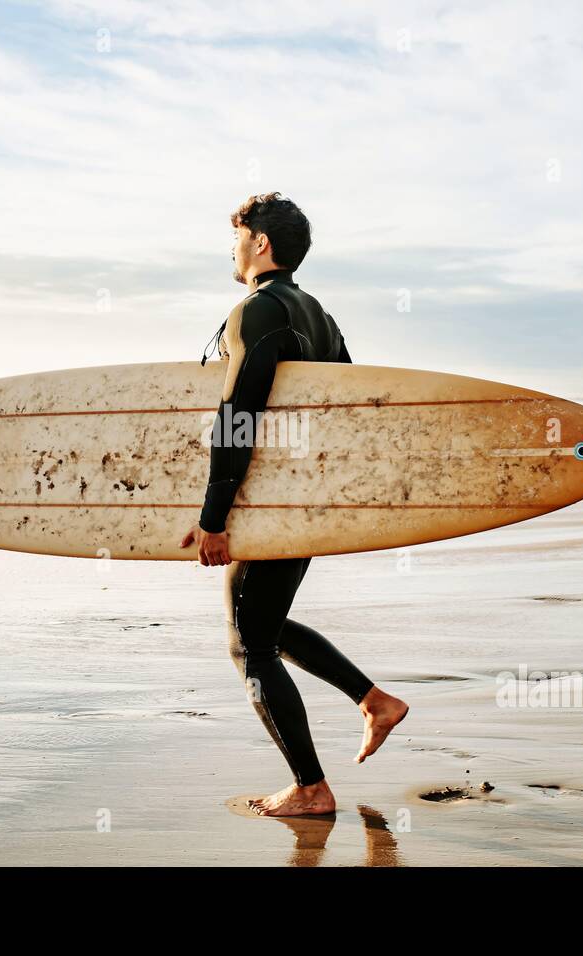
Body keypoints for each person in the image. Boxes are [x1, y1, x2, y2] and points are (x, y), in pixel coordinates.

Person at [179, 193, 409, 817]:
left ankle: (310, 787)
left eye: (238, 236)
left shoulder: (257, 311)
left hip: (270, 505)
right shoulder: (321, 317)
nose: (232, 248)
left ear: (259, 242)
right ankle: (374, 701)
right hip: (309, 500)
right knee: (265, 625)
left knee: (247, 641)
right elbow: (344, 413)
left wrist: (213, 517)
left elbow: (237, 418)